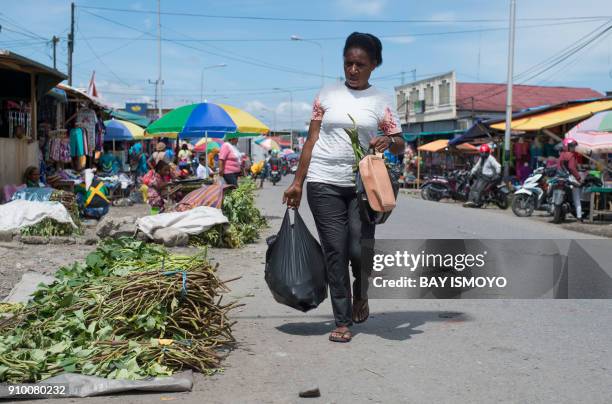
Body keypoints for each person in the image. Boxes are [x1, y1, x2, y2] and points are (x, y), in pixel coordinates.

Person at [282, 32, 404, 343]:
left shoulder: (380, 101)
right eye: (348, 63)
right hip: (323, 182)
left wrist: (389, 140)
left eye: (359, 64)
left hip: (363, 186)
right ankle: (342, 319)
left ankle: (361, 292)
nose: (352, 69)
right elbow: (311, 140)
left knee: (358, 250)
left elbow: (401, 144)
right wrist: (298, 183)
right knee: (335, 250)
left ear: (374, 65)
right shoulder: (326, 95)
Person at [557, 137, 583, 221]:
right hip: (571, 178)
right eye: (571, 146)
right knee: (577, 198)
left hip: (561, 178)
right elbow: (572, 168)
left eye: (573, 146)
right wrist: (579, 178)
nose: (573, 148)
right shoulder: (571, 155)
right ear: (566, 146)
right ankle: (579, 217)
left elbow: (558, 166)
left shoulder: (561, 155)